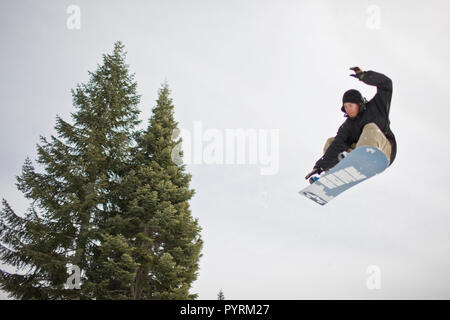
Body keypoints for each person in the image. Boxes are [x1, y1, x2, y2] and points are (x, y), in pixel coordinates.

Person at [305, 67, 397, 183]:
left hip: (385, 149)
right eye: (346, 106)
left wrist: (365, 77)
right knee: (331, 142)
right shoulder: (348, 126)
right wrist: (319, 167)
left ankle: (356, 159)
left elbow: (386, 84)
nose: (348, 109)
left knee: (370, 128)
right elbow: (337, 145)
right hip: (361, 149)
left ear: (359, 104)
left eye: (351, 105)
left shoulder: (377, 107)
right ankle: (330, 174)